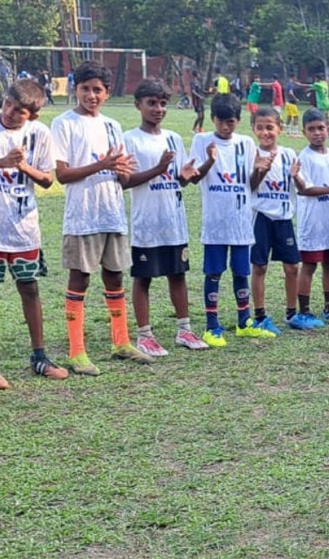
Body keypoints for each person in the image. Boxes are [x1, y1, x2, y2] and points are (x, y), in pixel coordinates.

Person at [51, 60, 153, 375]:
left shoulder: (111, 125)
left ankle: (121, 341)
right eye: (85, 89)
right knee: (80, 278)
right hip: (83, 216)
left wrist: (122, 172)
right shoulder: (64, 123)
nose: (91, 95)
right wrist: (104, 165)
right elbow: (63, 174)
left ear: (107, 93)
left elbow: (120, 176)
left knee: (115, 276)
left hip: (112, 213)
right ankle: (76, 351)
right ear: (76, 90)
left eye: (98, 90)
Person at [0, 79, 68, 390]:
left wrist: (23, 167)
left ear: (33, 116)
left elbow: (46, 180)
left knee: (30, 290)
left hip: (23, 229)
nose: (10, 113)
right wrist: (1, 162)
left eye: (20, 111)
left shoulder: (39, 134)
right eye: (8, 105)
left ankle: (39, 357)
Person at [123, 79, 209, 357]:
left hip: (174, 223)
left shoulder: (172, 137)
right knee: (143, 278)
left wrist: (184, 176)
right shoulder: (130, 139)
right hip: (146, 224)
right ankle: (145, 334)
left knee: (178, 274)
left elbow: (180, 179)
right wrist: (158, 168)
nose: (158, 109)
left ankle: (184, 329)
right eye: (151, 103)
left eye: (162, 104)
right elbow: (124, 181)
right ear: (138, 105)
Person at [188, 93, 276, 346]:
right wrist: (210, 161)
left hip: (240, 222)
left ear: (239, 120)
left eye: (232, 122)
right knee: (214, 272)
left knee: (241, 271)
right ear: (213, 118)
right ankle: (212, 326)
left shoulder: (247, 144)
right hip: (215, 222)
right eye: (221, 121)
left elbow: (251, 186)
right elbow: (193, 178)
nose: (226, 127)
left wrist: (261, 170)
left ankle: (244, 322)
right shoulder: (202, 140)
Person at [290, 108, 329, 329]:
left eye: (321, 128)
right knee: (309, 265)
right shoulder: (304, 158)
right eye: (312, 129)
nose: (317, 133)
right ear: (304, 132)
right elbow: (304, 189)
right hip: (313, 221)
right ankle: (304, 311)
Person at [249, 107, 300, 335]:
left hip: (283, 217)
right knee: (259, 267)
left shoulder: (288, 154)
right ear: (253, 129)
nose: (265, 132)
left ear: (279, 128)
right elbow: (250, 186)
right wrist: (260, 171)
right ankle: (260, 316)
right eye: (260, 127)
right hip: (260, 216)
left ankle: (292, 314)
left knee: (292, 267)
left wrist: (296, 176)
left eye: (270, 127)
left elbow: (300, 185)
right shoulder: (251, 153)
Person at [190, 69, 206, 134]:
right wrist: (200, 96)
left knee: (203, 116)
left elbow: (201, 90)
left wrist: (208, 92)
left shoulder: (198, 82)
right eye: (198, 74)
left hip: (201, 101)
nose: (199, 75)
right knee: (199, 116)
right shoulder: (193, 82)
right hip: (197, 101)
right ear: (196, 75)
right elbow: (193, 91)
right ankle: (193, 129)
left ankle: (200, 129)